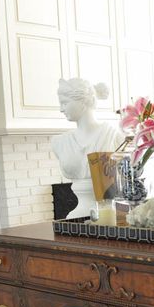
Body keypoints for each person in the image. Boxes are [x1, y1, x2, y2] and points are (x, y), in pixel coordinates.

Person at [52, 78, 122, 217]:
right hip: (76, 215)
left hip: (106, 216)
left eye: (64, 103)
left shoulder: (115, 137)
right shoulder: (59, 142)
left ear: (82, 101)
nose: (61, 109)